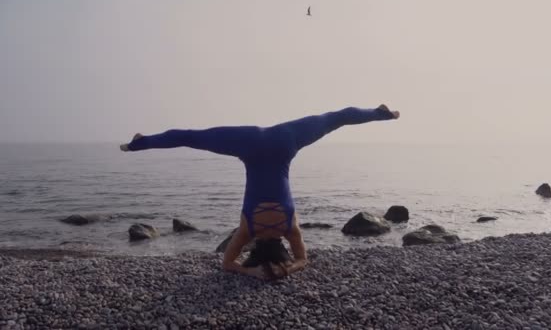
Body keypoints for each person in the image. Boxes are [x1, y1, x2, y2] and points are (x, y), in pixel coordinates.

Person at [120, 105, 400, 279]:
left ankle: (382, 113)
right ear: (254, 248)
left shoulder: (290, 229)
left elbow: (303, 259)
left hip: (284, 141)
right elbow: (228, 264)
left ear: (282, 248)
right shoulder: (247, 230)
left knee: (335, 118)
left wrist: (287, 268)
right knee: (192, 138)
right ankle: (140, 143)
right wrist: (252, 271)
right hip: (249, 144)